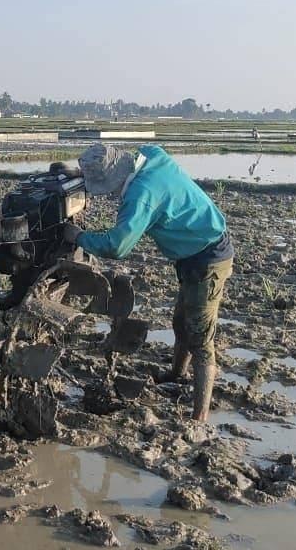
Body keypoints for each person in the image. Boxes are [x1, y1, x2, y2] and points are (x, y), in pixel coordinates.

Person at [64, 144, 234, 421]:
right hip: (192, 255)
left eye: (109, 189)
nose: (112, 196)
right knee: (181, 322)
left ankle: (199, 418)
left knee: (200, 338)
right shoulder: (153, 157)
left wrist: (78, 236)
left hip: (208, 259)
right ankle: (176, 374)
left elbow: (117, 246)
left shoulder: (140, 196)